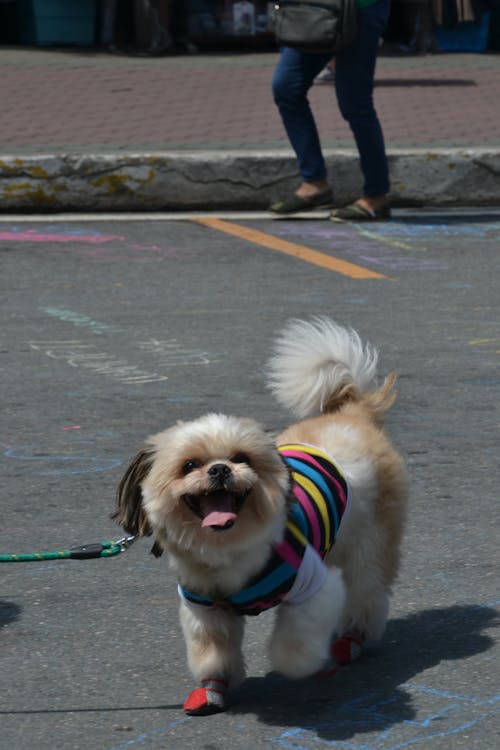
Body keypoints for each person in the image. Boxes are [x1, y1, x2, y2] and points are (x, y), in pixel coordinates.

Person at [270, 0, 391, 221]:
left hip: (361, 9)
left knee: (355, 104)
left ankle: (376, 196)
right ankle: (315, 183)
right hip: (315, 7)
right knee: (286, 87)